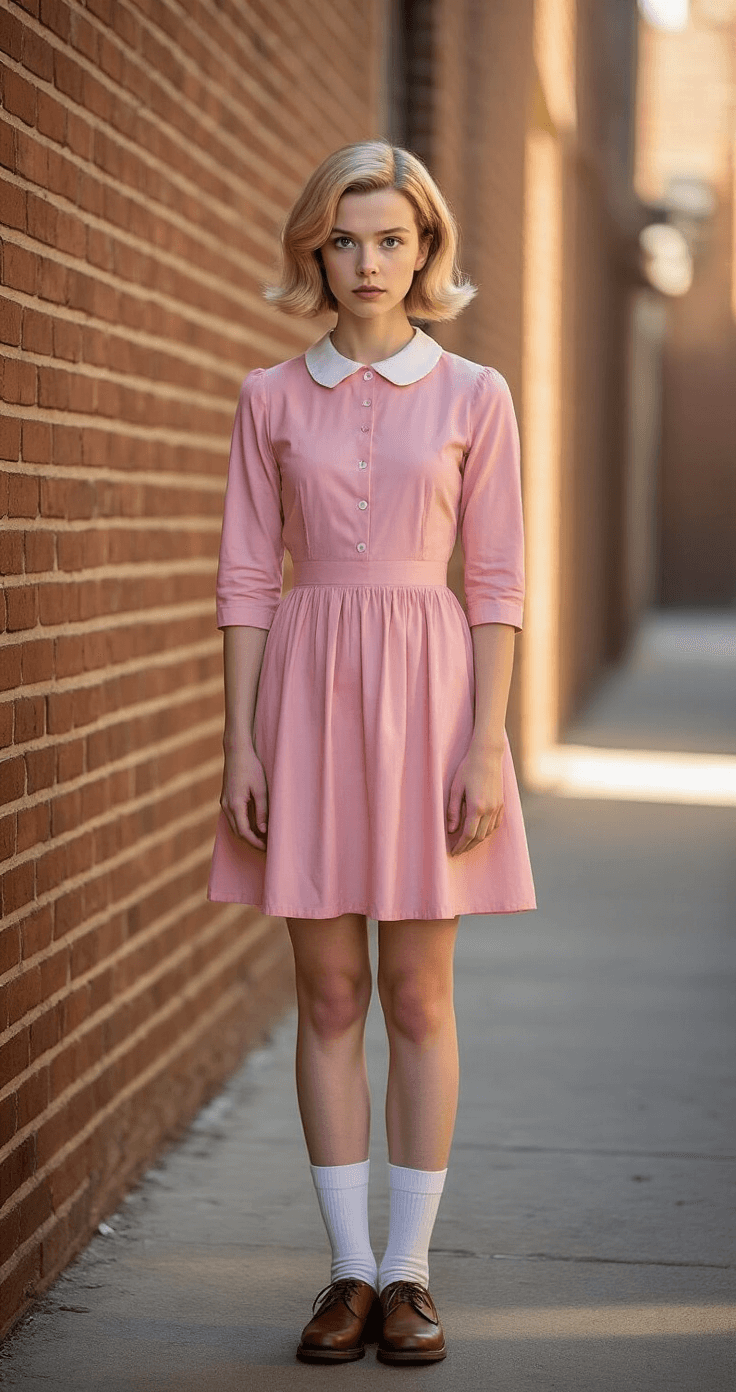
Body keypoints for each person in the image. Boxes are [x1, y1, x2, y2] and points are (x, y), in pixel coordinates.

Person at [207, 140, 537, 1365]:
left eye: (391, 238)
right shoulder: (268, 397)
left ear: (426, 250)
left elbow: (496, 582)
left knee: (416, 992)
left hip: (432, 697)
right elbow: (246, 579)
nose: (366, 261)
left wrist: (486, 742)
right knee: (330, 990)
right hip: (305, 695)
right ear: (315, 250)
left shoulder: (474, 396)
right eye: (344, 239)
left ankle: (410, 1274)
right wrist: (238, 741)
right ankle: (343, 1272)